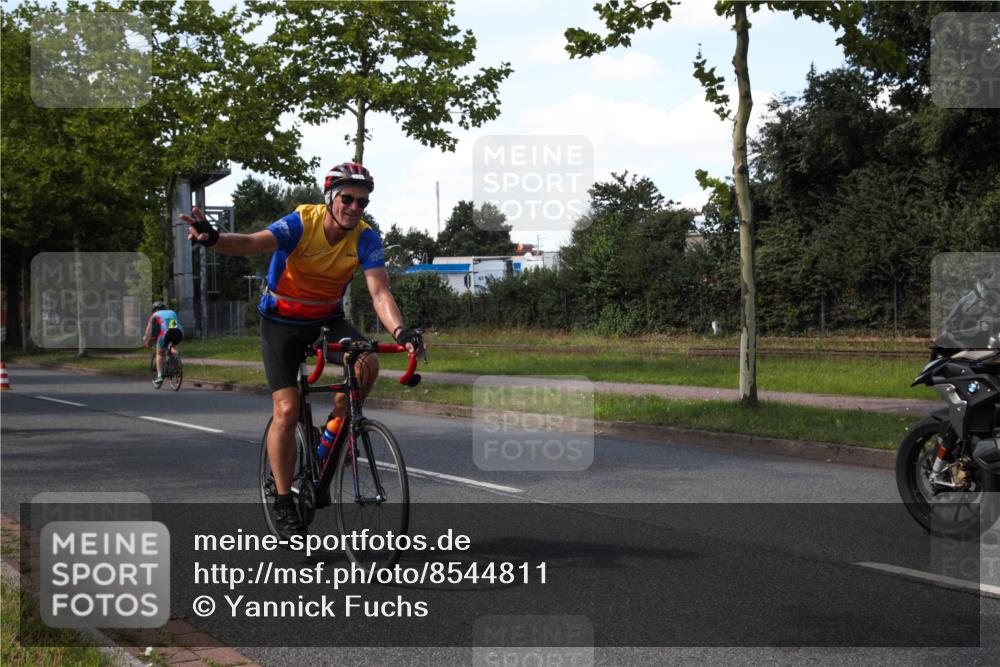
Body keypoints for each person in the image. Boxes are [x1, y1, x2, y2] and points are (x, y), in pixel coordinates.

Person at [181, 162, 423, 540]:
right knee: (288, 409)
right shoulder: (300, 223)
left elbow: (379, 292)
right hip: (281, 321)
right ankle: (282, 500)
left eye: (362, 202)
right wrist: (215, 239)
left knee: (367, 363)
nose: (355, 208)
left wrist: (402, 330)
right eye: (348, 199)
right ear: (330, 198)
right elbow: (250, 243)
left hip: (325, 318)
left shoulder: (366, 238)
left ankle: (334, 435)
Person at [143, 301, 184, 388]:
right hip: (179, 332)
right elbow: (172, 326)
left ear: (155, 309)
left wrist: (146, 339)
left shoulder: (154, 315)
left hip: (165, 333)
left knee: (159, 353)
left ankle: (160, 375)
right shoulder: (172, 312)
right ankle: (176, 361)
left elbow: (148, 331)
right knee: (172, 345)